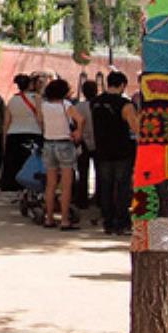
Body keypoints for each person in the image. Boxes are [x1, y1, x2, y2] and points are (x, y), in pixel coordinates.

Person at [92, 71, 139, 235]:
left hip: (102, 150)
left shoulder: (95, 102)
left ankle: (108, 221)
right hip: (122, 150)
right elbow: (136, 127)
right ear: (122, 85)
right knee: (122, 187)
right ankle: (122, 222)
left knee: (105, 186)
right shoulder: (125, 104)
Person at [41, 78, 81, 230]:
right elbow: (80, 119)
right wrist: (78, 132)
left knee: (50, 185)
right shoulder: (66, 105)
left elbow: (40, 121)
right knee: (66, 185)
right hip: (64, 143)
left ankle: (49, 218)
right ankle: (64, 219)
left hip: (48, 143)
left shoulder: (44, 106)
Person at [0, 74, 43, 191]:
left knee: (15, 164)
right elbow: (40, 117)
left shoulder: (12, 100)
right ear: (30, 84)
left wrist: (4, 139)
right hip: (33, 133)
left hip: (13, 134)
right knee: (29, 163)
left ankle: (13, 187)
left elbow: (6, 122)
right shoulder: (37, 98)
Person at [72, 80, 98, 210]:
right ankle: (99, 198)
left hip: (83, 141)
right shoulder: (98, 105)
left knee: (83, 172)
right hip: (98, 141)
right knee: (100, 172)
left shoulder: (78, 107)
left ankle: (81, 200)